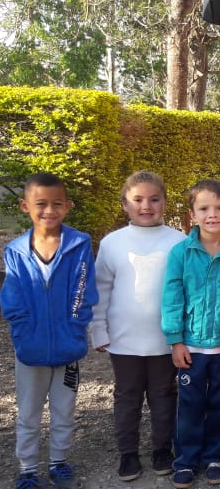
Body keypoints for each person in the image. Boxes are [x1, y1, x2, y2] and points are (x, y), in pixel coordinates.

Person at [1, 172, 98, 489]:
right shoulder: (15, 251)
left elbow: (83, 291)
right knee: (28, 414)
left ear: (67, 206)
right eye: (40, 203)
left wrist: (74, 328)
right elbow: (13, 299)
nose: (49, 210)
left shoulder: (79, 244)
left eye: (57, 204)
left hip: (67, 349)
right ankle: (27, 469)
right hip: (30, 351)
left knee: (64, 411)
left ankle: (59, 463)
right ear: (25, 206)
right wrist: (24, 335)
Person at [90, 171, 186, 481]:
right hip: (124, 340)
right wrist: (99, 329)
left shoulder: (179, 242)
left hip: (165, 339)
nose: (146, 206)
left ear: (165, 202)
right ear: (124, 204)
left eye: (154, 199)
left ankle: (162, 450)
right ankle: (128, 453)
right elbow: (101, 289)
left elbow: (187, 290)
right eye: (138, 200)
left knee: (164, 395)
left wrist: (183, 335)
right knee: (127, 396)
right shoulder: (112, 243)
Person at [161, 179, 220, 488]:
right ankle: (186, 460)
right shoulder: (181, 253)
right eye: (204, 208)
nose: (212, 214)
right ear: (192, 215)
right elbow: (172, 297)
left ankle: (216, 458)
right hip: (191, 346)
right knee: (189, 406)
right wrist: (175, 340)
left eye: (219, 208)